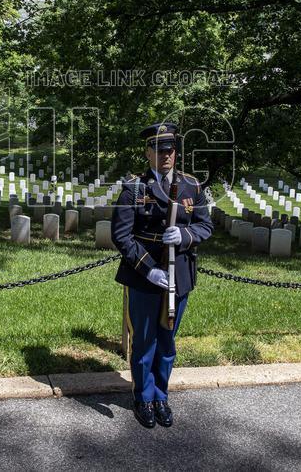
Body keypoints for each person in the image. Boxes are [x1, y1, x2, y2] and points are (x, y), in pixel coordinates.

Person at [111, 122, 213, 428]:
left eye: (170, 149)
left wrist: (185, 235)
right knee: (144, 341)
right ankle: (143, 397)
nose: (166, 155)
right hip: (145, 277)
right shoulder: (133, 188)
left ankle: (160, 396)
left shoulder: (192, 187)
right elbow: (122, 236)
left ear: (176, 152)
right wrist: (149, 270)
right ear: (148, 152)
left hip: (179, 276)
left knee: (167, 341)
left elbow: (205, 226)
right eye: (159, 149)